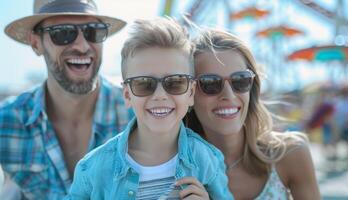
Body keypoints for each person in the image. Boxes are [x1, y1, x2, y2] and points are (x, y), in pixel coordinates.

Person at [66, 18, 233, 200]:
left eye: (175, 83)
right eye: (144, 84)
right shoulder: (92, 169)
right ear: (128, 95)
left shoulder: (208, 161)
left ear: (191, 93)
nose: (159, 95)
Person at [0, 0, 133, 199]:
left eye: (93, 32)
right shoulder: (7, 122)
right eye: (62, 33)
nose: (82, 46)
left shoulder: (138, 114)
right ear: (36, 43)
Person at [185, 29, 320, 199]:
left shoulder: (290, 154)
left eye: (240, 81)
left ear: (252, 88)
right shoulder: (175, 171)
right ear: (189, 94)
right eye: (210, 83)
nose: (229, 95)